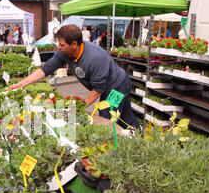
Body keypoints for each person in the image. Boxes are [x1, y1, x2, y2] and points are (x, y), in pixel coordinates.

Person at [8, 24, 140, 130]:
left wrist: (79, 108)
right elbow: (44, 70)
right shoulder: (64, 52)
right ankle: (138, 136)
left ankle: (121, 147)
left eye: (62, 44)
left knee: (108, 115)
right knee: (125, 116)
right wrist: (19, 85)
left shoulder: (94, 58)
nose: (58, 47)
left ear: (74, 44)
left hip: (117, 86)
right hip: (106, 85)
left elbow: (98, 90)